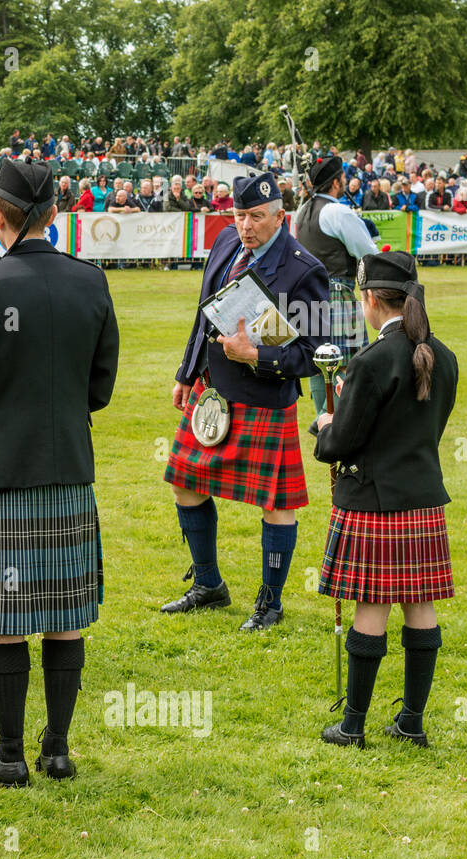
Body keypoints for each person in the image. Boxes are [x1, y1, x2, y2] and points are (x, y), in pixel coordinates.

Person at [0, 159, 119, 786]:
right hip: (67, 463)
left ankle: (10, 758)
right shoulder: (91, 281)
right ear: (54, 215)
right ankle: (57, 751)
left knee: (3, 618)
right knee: (64, 612)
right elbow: (100, 387)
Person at [161, 173, 329, 631]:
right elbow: (203, 314)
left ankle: (270, 603)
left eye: (256, 216)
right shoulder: (223, 244)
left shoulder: (303, 270)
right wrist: (187, 372)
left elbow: (315, 354)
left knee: (276, 504)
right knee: (185, 483)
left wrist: (257, 355)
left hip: (263, 397)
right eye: (239, 215)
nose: (246, 225)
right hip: (212, 390)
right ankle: (209, 585)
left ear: (281, 216)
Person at [314, 253, 457, 748]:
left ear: (370, 298)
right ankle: (411, 723)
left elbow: (340, 444)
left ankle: (353, 725)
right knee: (422, 607)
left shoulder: (371, 361)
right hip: (422, 500)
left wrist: (325, 426)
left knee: (370, 609)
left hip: (373, 503)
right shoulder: (444, 355)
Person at [295, 155, 379, 430]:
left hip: (306, 295)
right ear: (335, 182)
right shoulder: (338, 212)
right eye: (342, 177)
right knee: (345, 363)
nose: (344, 181)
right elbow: (368, 253)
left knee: (319, 363)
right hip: (336, 293)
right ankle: (336, 423)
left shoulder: (302, 210)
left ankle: (322, 420)